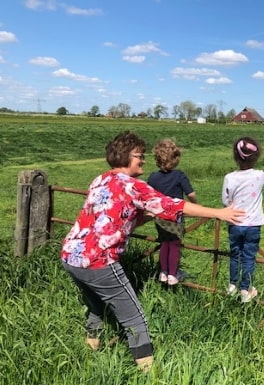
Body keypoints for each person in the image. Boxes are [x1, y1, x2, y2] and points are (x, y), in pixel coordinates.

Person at [60, 131, 244, 371]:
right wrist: (219, 213)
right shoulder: (133, 186)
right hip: (99, 261)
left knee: (96, 304)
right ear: (125, 156)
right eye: (139, 155)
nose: (143, 160)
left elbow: (114, 218)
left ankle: (89, 353)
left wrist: (146, 216)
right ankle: (148, 372)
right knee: (135, 318)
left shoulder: (101, 179)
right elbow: (172, 204)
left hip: (71, 256)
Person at [222, 137, 264, 303]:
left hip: (234, 223)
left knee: (235, 254)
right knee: (249, 257)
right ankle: (245, 289)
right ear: (256, 157)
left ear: (235, 156)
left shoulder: (229, 177)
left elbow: (225, 201)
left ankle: (232, 285)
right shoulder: (260, 175)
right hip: (253, 225)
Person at [148, 138, 197, 286]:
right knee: (175, 244)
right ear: (175, 159)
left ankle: (163, 272)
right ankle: (173, 274)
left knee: (164, 243)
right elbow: (191, 194)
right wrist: (196, 206)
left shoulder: (153, 177)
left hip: (160, 216)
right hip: (175, 216)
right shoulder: (179, 175)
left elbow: (148, 195)